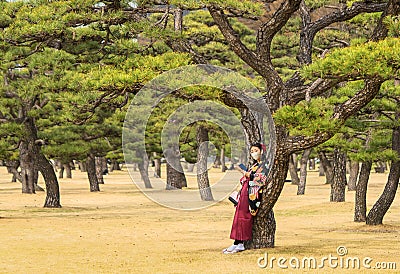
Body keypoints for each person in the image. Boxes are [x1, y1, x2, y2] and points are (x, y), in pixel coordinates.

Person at [222, 142, 269, 254]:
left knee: (244, 217)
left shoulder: (265, 165)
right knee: (238, 216)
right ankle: (236, 242)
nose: (254, 153)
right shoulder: (254, 165)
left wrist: (248, 174)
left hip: (252, 194)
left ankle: (240, 243)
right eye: (252, 151)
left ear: (262, 151)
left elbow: (262, 179)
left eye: (256, 151)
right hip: (245, 192)